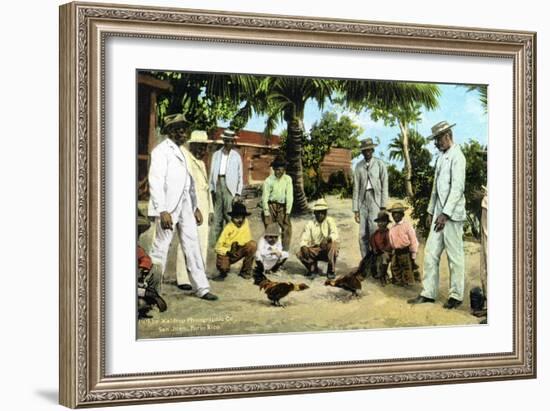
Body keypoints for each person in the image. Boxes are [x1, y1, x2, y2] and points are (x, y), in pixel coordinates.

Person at [147, 113, 218, 301]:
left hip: (185, 204)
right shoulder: (160, 151)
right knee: (160, 248)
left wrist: (195, 207)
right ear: (169, 131)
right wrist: (162, 210)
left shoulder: (182, 152)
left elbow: (189, 182)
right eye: (178, 129)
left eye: (184, 129)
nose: (182, 133)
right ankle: (152, 289)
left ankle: (201, 288)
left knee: (192, 245)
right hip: (168, 208)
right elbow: (155, 181)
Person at [408, 121, 466, 309]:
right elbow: (435, 189)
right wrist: (430, 211)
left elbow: (457, 189)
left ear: (447, 135)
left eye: (438, 139)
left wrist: (445, 214)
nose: (436, 143)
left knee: (454, 256)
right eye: (435, 140)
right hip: (438, 215)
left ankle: (456, 296)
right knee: (431, 253)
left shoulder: (458, 157)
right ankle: (428, 292)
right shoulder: (441, 158)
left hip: (452, 215)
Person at [175, 130, 214, 290]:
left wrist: (210, 210)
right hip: (190, 206)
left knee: (202, 241)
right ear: (192, 145)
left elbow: (207, 189)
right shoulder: (186, 160)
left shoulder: (202, 164)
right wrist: (194, 208)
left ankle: (199, 275)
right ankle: (183, 278)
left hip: (204, 205)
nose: (201, 151)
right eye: (198, 147)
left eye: (204, 147)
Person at [352, 138, 389, 262]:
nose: (367, 152)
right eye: (364, 150)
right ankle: (366, 261)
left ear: (372, 150)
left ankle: (376, 262)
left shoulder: (380, 164)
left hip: (375, 200)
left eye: (369, 150)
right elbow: (356, 188)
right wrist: (356, 210)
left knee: (374, 231)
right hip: (363, 201)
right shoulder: (358, 166)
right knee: (362, 235)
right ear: (362, 152)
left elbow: (385, 185)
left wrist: (383, 206)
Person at [209, 129, 243, 246]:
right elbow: (212, 173)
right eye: (227, 140)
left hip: (230, 187)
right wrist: (212, 189)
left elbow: (240, 176)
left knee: (229, 216)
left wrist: (238, 193)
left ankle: (231, 243)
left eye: (231, 141)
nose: (229, 143)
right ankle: (215, 245)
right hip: (218, 184)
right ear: (224, 140)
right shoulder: (216, 155)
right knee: (217, 217)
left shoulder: (236, 156)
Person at [213, 202, 257, 281]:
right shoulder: (228, 228)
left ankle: (245, 271)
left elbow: (247, 239)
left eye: (242, 217)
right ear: (232, 217)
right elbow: (218, 247)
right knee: (223, 267)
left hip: (238, 250)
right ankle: (223, 272)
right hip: (227, 252)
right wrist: (228, 251)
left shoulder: (245, 223)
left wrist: (238, 245)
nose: (240, 220)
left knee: (252, 245)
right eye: (237, 218)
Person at [297, 198, 340, 279]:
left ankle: (331, 270)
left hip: (327, 249)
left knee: (333, 245)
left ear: (326, 213)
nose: (320, 214)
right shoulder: (310, 224)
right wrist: (304, 246)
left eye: (323, 212)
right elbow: (304, 238)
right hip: (315, 249)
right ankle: (313, 269)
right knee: (300, 252)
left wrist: (327, 239)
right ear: (314, 212)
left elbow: (334, 234)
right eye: (318, 212)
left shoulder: (330, 221)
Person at [261, 156, 293, 251]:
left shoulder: (288, 179)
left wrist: (287, 212)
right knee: (271, 230)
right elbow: (264, 198)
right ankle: (270, 253)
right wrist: (266, 213)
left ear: (284, 169)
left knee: (287, 229)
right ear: (273, 169)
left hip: (282, 207)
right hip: (271, 206)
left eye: (280, 169)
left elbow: (290, 196)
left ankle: (284, 252)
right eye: (276, 169)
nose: (278, 172)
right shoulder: (268, 180)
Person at [387, 202, 419, 287]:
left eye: (397, 214)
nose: (395, 216)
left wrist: (413, 253)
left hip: (405, 251)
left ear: (402, 214)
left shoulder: (407, 226)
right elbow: (391, 241)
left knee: (407, 267)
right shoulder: (392, 228)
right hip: (396, 251)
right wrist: (392, 251)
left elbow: (413, 239)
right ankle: (398, 282)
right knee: (394, 266)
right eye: (393, 214)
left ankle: (409, 282)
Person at [369, 211, 392, 286]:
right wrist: (374, 248)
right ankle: (376, 274)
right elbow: (372, 241)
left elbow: (389, 243)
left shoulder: (388, 233)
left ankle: (383, 275)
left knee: (384, 259)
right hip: (377, 252)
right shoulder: (376, 233)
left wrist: (385, 250)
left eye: (383, 222)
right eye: (379, 222)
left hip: (386, 252)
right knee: (372, 260)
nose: (380, 224)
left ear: (387, 223)